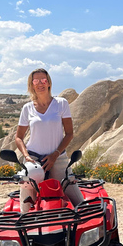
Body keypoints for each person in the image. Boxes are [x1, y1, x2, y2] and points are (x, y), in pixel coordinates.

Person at [15, 68, 84, 213]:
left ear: (48, 83)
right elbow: (18, 137)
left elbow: (69, 133)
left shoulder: (61, 104)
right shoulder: (27, 108)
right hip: (34, 160)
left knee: (77, 201)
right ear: (31, 84)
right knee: (26, 203)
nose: (40, 84)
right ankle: (26, 228)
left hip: (57, 157)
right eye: (36, 81)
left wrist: (56, 154)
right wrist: (26, 156)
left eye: (43, 80)